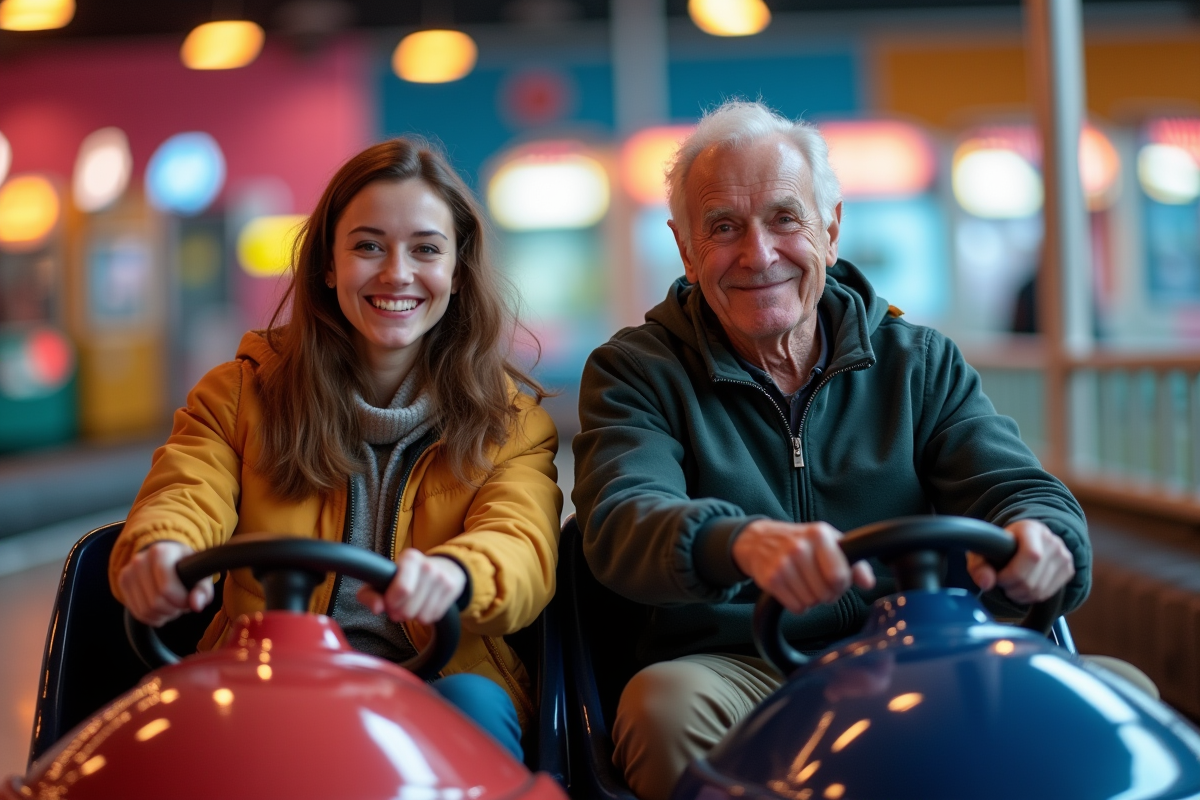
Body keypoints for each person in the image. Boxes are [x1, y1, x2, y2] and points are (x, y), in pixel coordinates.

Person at [571, 101, 1126, 800]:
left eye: (784, 218)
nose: (758, 254)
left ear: (829, 231)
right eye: (723, 228)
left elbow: (1021, 490)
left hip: (923, 655)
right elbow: (623, 518)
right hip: (742, 667)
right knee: (664, 708)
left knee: (1120, 693)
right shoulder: (636, 371)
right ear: (685, 250)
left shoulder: (920, 362)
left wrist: (1040, 539)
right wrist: (739, 544)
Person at [110, 138, 562, 760]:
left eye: (425, 249)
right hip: (267, 682)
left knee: (477, 705)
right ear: (328, 264)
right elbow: (187, 492)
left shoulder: (510, 424)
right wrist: (163, 550)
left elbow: (523, 546)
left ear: (457, 272)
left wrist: (456, 574)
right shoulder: (238, 395)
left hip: (433, 685)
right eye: (368, 245)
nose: (396, 272)